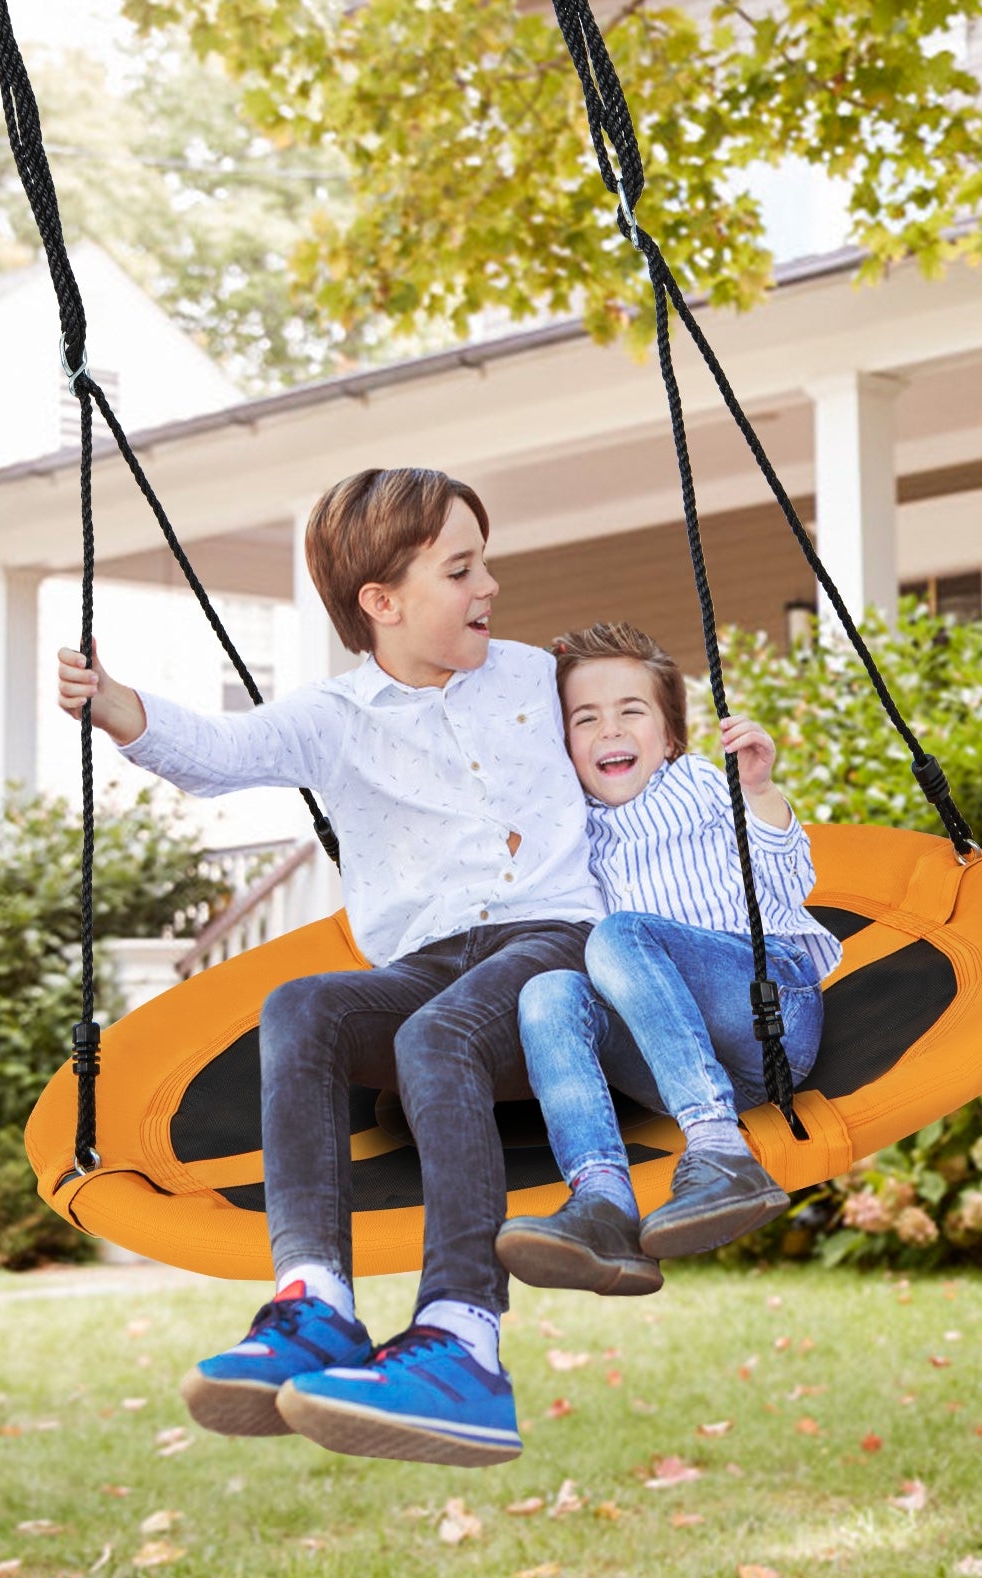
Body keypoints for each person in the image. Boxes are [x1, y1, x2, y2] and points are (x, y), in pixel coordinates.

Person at [55, 468, 605, 1468]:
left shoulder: (543, 679)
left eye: (486, 562)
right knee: (305, 1005)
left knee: (434, 1031)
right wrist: (117, 703)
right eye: (462, 568)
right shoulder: (336, 718)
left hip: (554, 952)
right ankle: (316, 1304)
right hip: (433, 968)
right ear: (382, 603)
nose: (489, 586)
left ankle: (465, 1343)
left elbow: (645, 748)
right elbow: (216, 752)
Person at [495, 622, 843, 1297]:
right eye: (585, 719)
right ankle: (602, 1206)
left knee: (619, 936)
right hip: (670, 1060)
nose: (609, 732)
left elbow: (789, 879)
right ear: (562, 747)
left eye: (632, 712)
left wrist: (761, 792)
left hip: (766, 1012)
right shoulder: (569, 834)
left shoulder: (702, 784)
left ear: (670, 736)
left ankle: (719, 1153)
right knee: (549, 991)